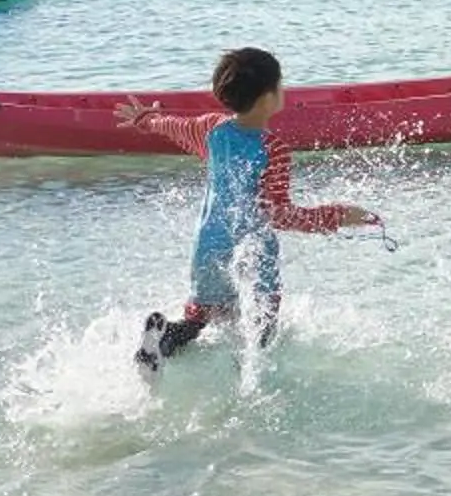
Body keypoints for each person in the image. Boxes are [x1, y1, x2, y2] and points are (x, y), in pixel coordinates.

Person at [118, 46, 378, 370]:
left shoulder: (212, 128)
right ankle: (246, 388)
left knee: (198, 320)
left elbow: (172, 126)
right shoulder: (274, 150)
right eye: (280, 85)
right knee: (260, 333)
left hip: (208, 248)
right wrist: (338, 216)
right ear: (269, 98)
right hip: (251, 254)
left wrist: (147, 119)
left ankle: (165, 340)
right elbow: (279, 215)